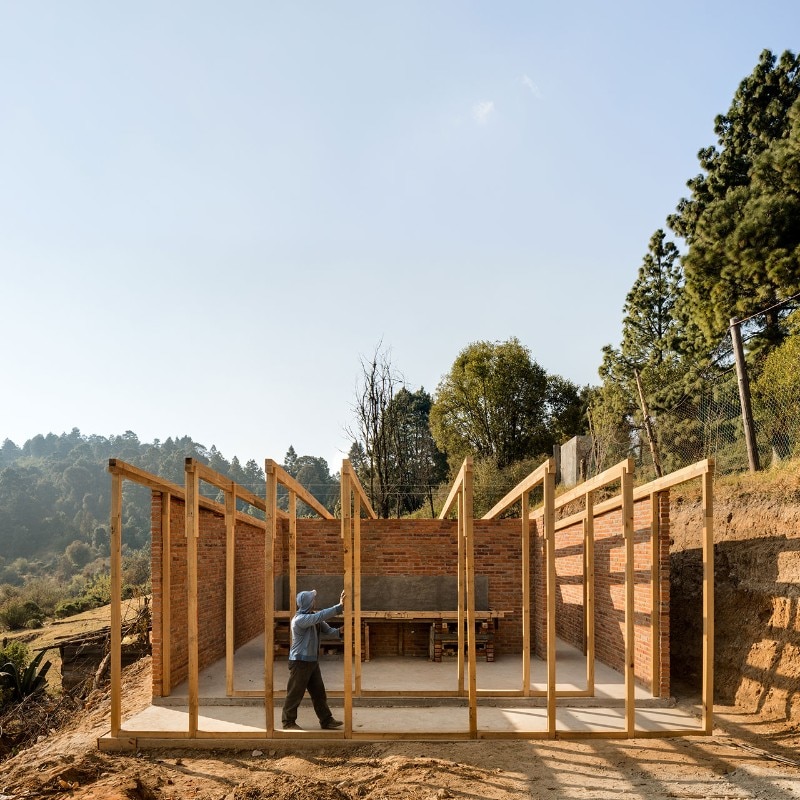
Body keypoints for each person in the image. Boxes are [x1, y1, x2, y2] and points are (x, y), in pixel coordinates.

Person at [282, 588, 346, 731]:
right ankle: (288, 722)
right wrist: (339, 607)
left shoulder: (313, 617)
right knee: (295, 693)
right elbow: (320, 617)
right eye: (313, 599)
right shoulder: (299, 620)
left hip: (311, 662)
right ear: (309, 603)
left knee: (319, 693)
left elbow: (329, 631)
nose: (315, 601)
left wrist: (340, 631)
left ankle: (326, 720)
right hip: (299, 662)